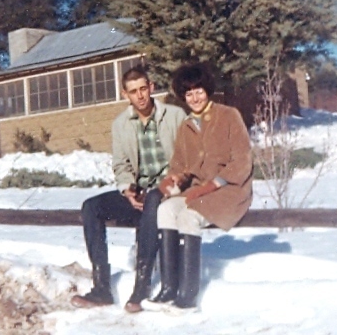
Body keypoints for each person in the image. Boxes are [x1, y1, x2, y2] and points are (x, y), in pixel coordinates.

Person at [71, 65, 187, 313]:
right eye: (133, 91)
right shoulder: (121, 124)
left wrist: (170, 184)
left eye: (144, 89)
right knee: (91, 207)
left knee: (154, 200)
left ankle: (141, 289)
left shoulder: (175, 116)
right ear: (126, 94)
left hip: (171, 192)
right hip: (143, 192)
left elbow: (187, 159)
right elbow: (121, 164)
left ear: (152, 88)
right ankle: (101, 288)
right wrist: (127, 190)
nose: (140, 96)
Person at [143, 62, 253, 313]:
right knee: (166, 210)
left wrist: (213, 184)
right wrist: (173, 181)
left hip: (229, 189)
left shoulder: (228, 115)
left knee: (189, 216)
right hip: (199, 190)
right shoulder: (187, 126)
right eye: (188, 93)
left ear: (208, 89)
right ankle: (170, 288)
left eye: (199, 90)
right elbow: (180, 166)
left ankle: (188, 295)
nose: (195, 97)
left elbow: (242, 160)